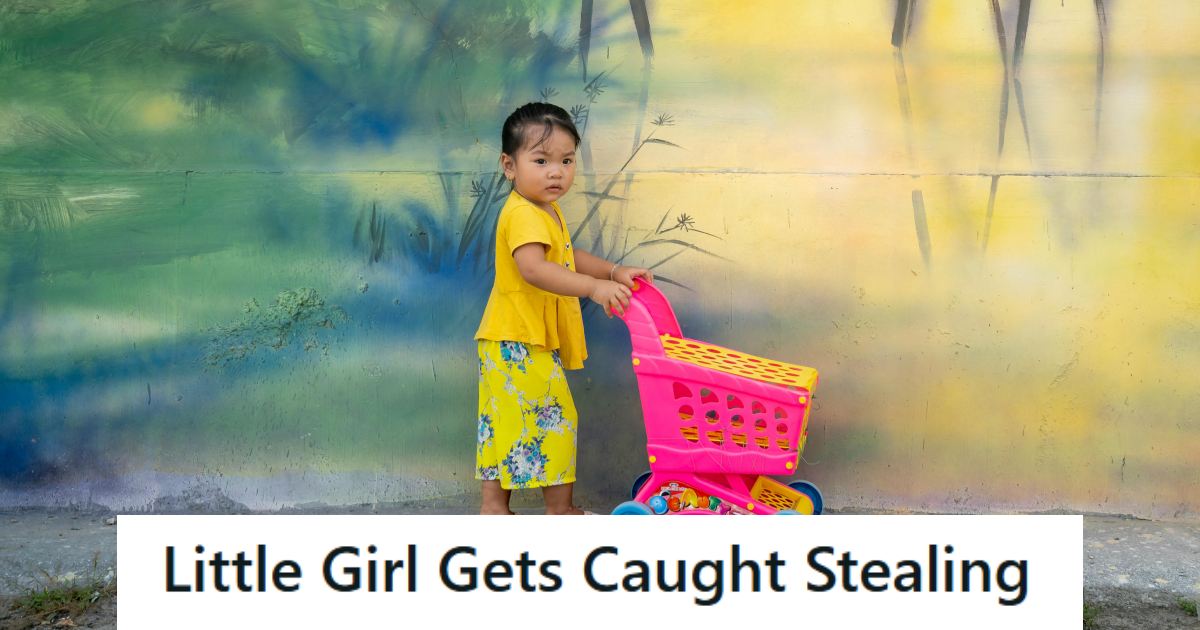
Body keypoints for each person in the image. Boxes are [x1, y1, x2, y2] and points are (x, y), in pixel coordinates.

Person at [474, 102, 653, 515]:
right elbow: (535, 269)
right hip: (518, 341)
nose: (556, 171)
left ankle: (493, 508)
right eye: (541, 160)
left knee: (502, 420)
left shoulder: (541, 209)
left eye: (566, 160)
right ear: (509, 165)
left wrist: (612, 271)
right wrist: (592, 288)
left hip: (509, 338)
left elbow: (566, 257)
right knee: (554, 419)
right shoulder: (523, 214)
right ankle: (561, 512)